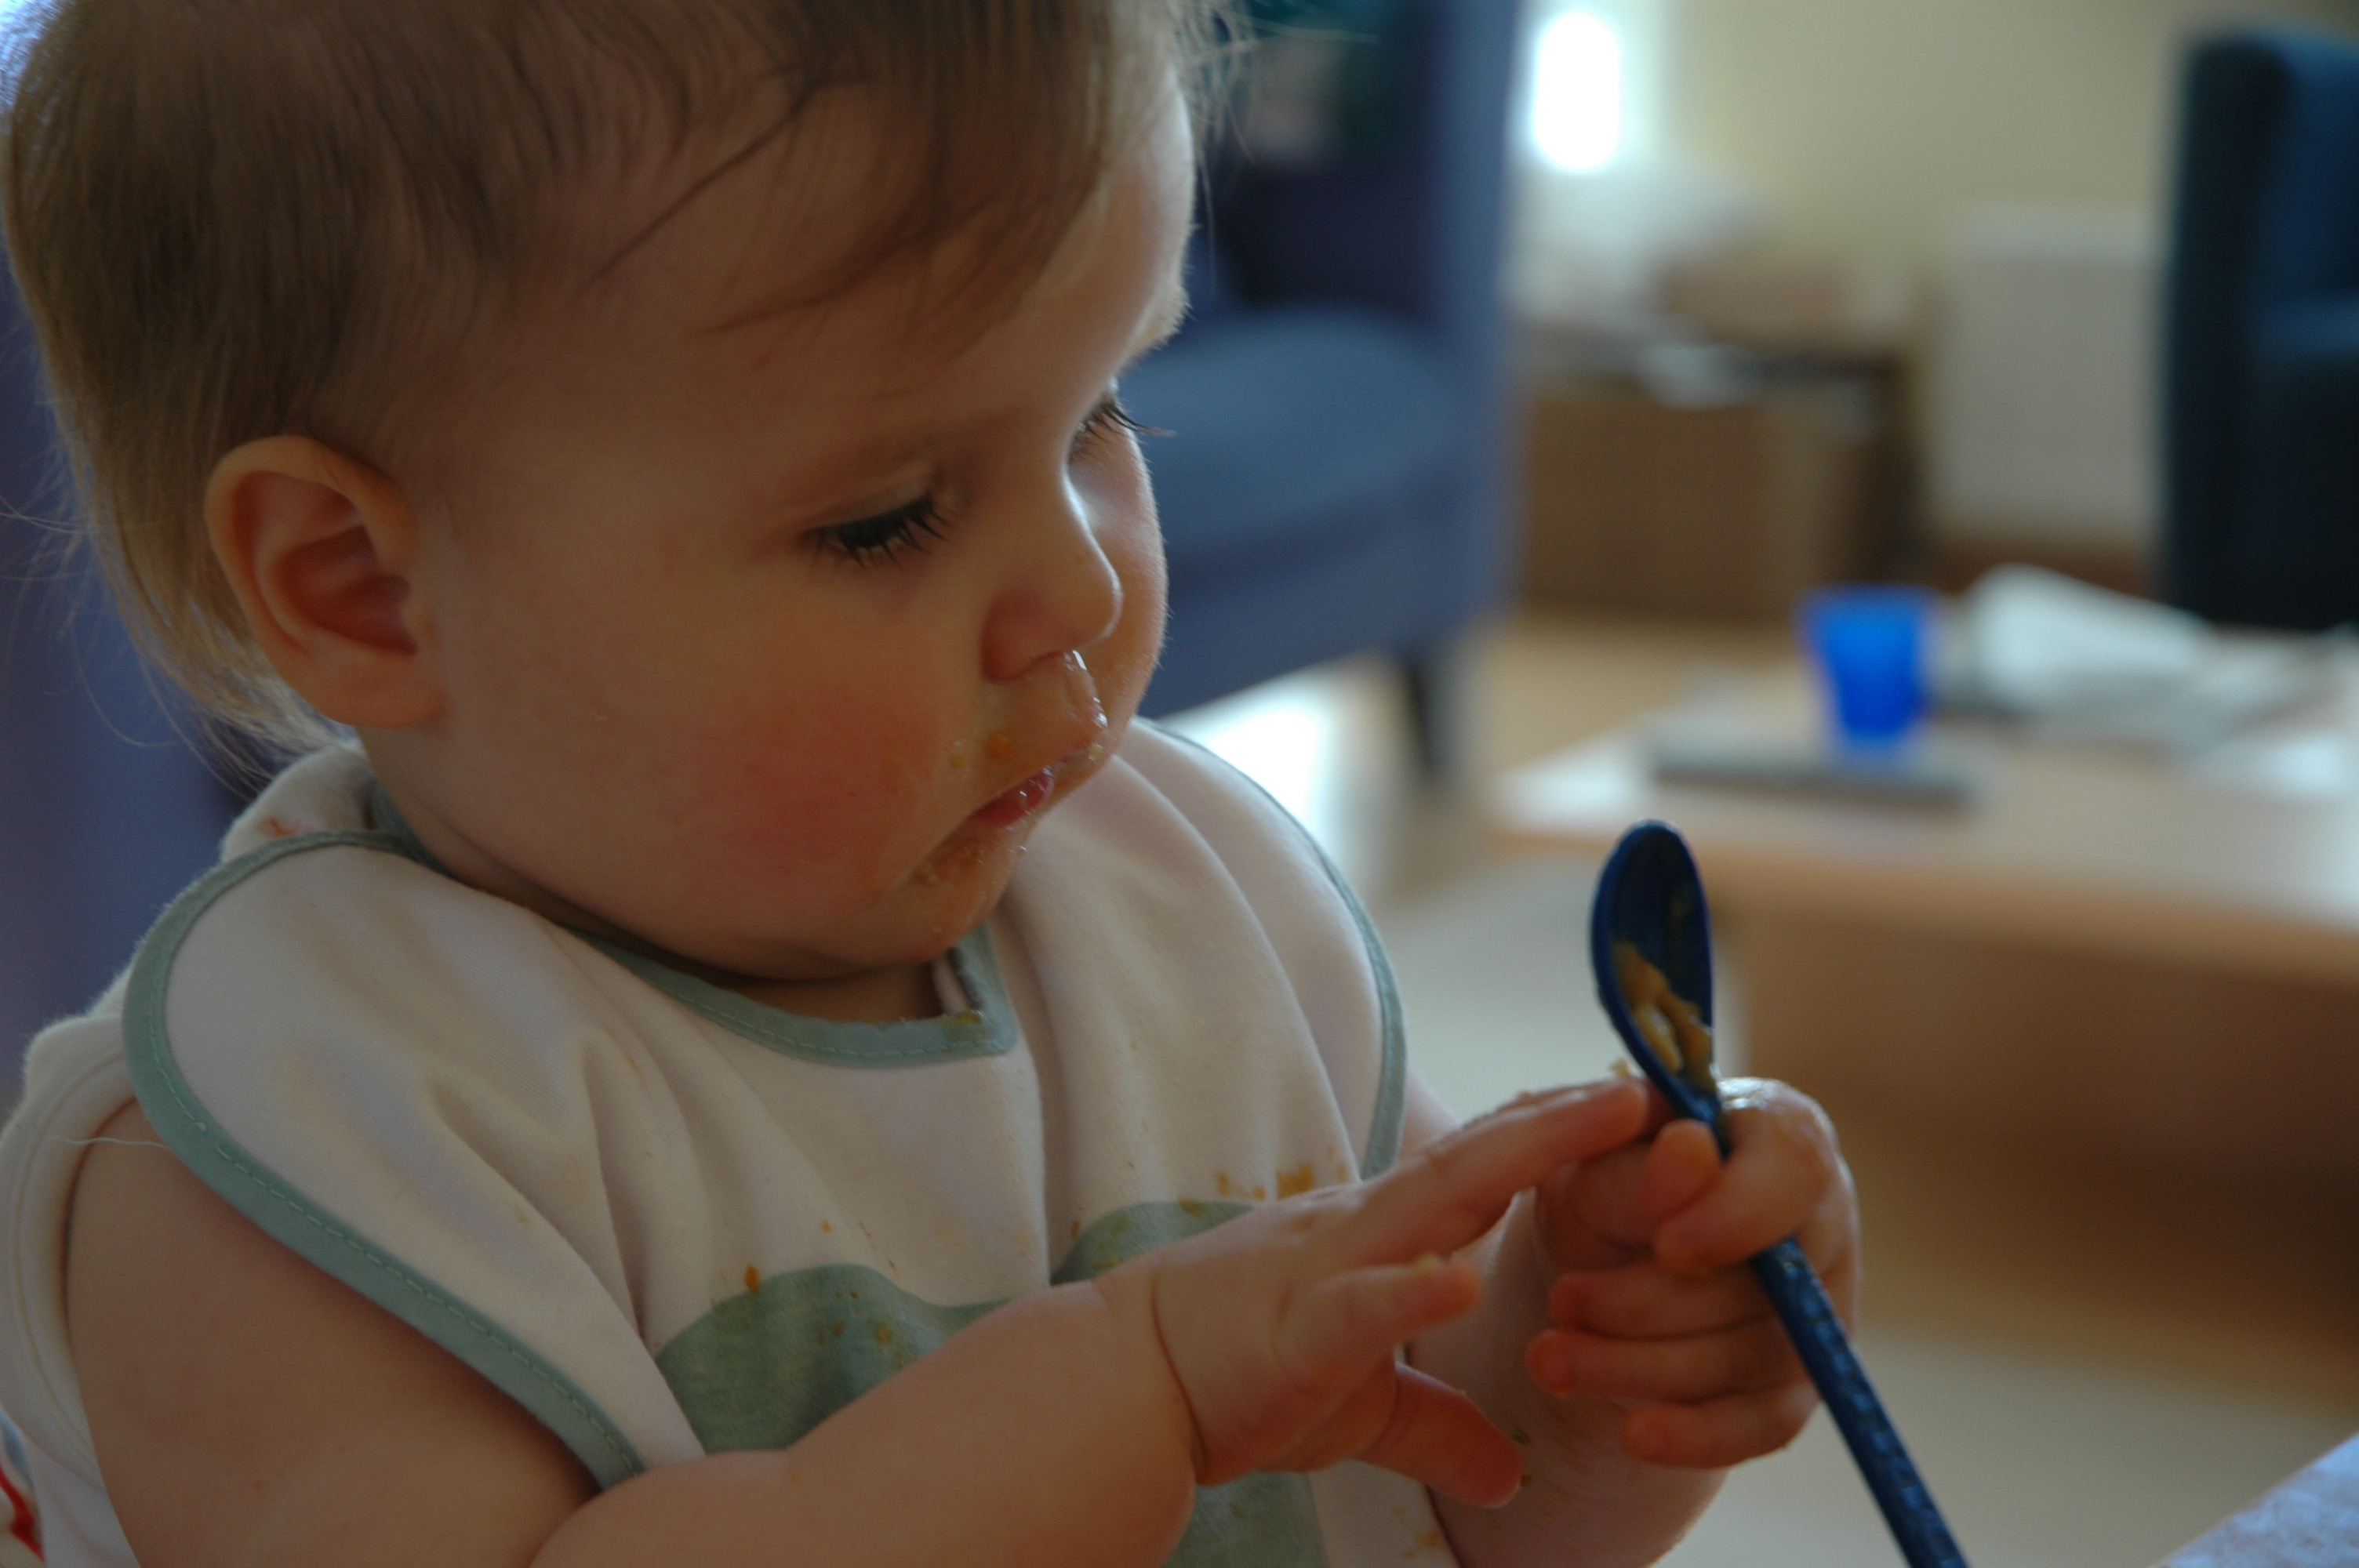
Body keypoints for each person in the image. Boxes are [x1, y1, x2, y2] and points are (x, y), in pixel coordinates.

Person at [0, 2, 1861, 1564]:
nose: (1084, 588)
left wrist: (1595, 1349)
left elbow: (1449, 1498)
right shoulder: (273, 1147)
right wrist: (1137, 1391)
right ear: (358, 584)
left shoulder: (1192, 900)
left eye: (1100, 413)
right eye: (885, 515)